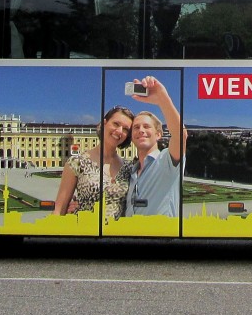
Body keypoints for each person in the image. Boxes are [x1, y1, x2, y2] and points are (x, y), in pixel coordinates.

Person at [53, 105, 134, 219]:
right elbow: (59, 210)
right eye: (116, 124)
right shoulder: (77, 162)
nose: (119, 131)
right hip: (86, 233)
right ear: (104, 123)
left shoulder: (128, 167)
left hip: (118, 234)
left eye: (125, 129)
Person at [125, 75, 187, 217]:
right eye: (136, 127)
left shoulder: (166, 160)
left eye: (146, 126)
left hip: (161, 236)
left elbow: (180, 135)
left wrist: (162, 98)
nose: (140, 130)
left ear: (158, 134)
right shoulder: (131, 171)